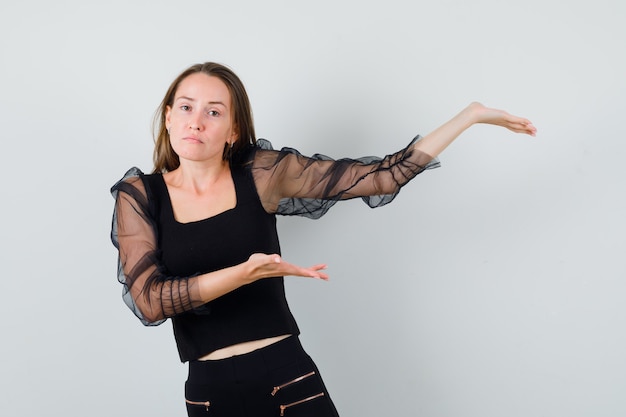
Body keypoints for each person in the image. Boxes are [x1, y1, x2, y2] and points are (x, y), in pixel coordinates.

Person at [110, 62, 536, 417]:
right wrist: (242, 274)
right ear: (168, 116)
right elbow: (149, 301)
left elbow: (382, 175)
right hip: (208, 393)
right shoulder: (141, 196)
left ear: (233, 129)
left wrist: (470, 116)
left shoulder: (262, 173)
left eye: (214, 112)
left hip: (285, 376)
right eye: (186, 107)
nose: (196, 121)